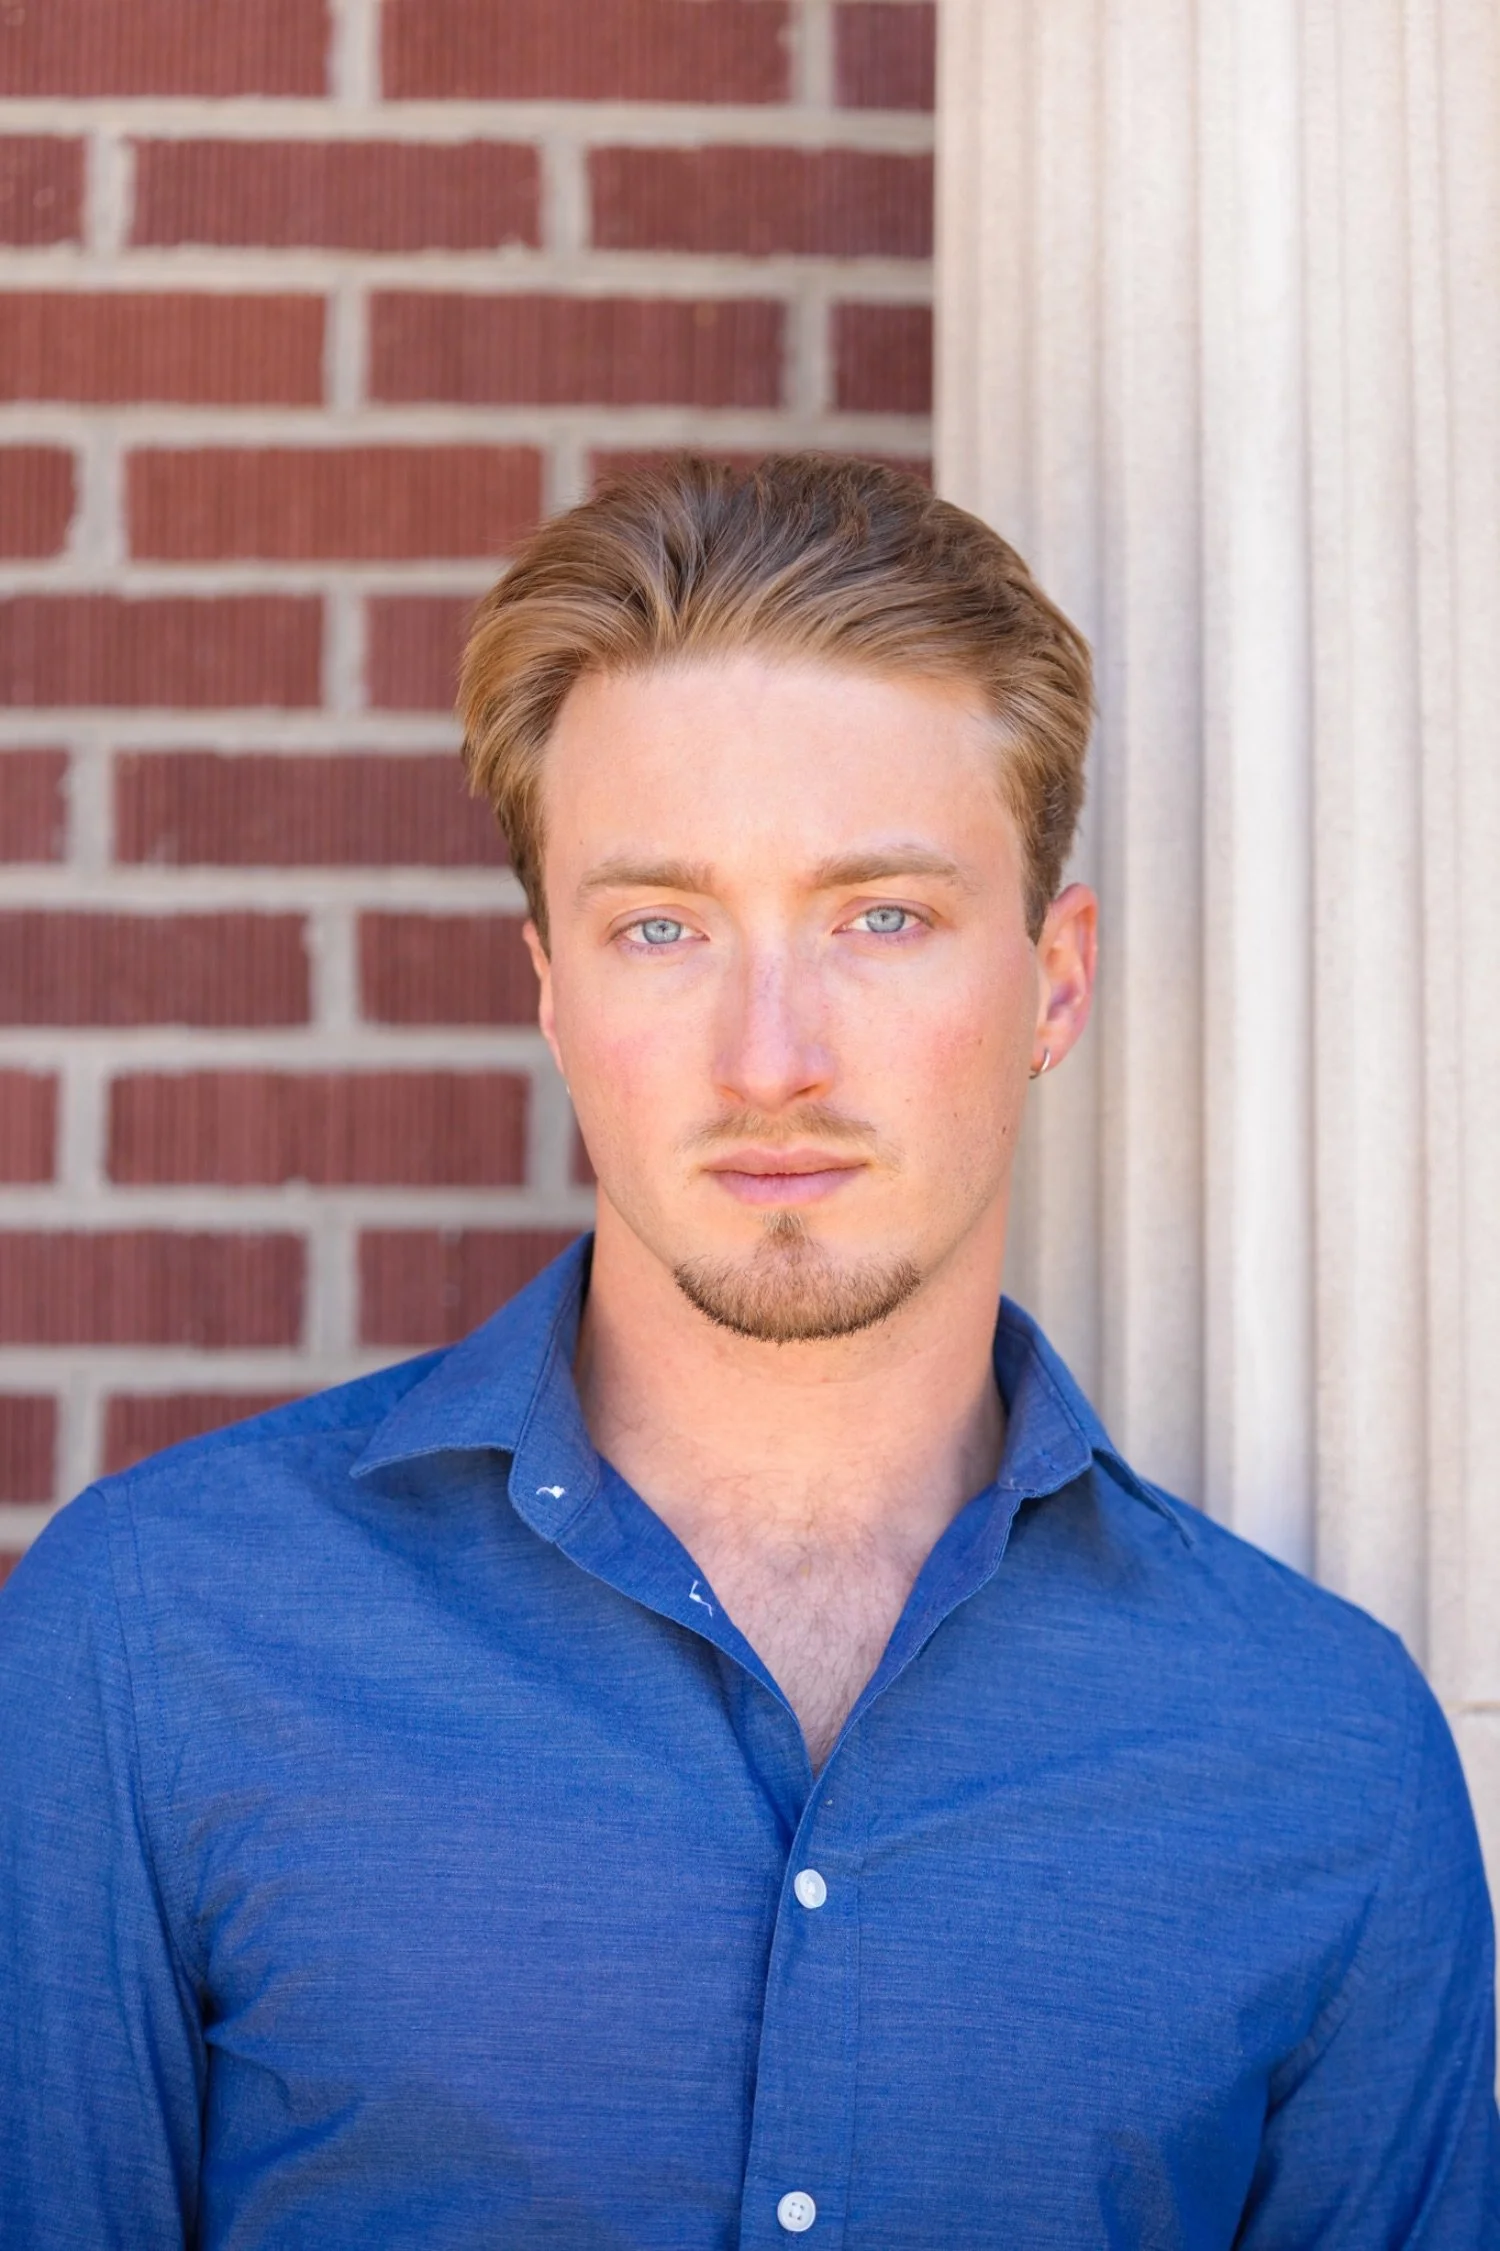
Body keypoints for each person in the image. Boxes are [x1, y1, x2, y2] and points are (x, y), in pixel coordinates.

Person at [0, 455, 1494, 2249]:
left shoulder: (1322, 1748)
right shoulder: (154, 1642)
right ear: (552, 987)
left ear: (1056, 981)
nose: (769, 1050)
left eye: (882, 915)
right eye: (663, 926)